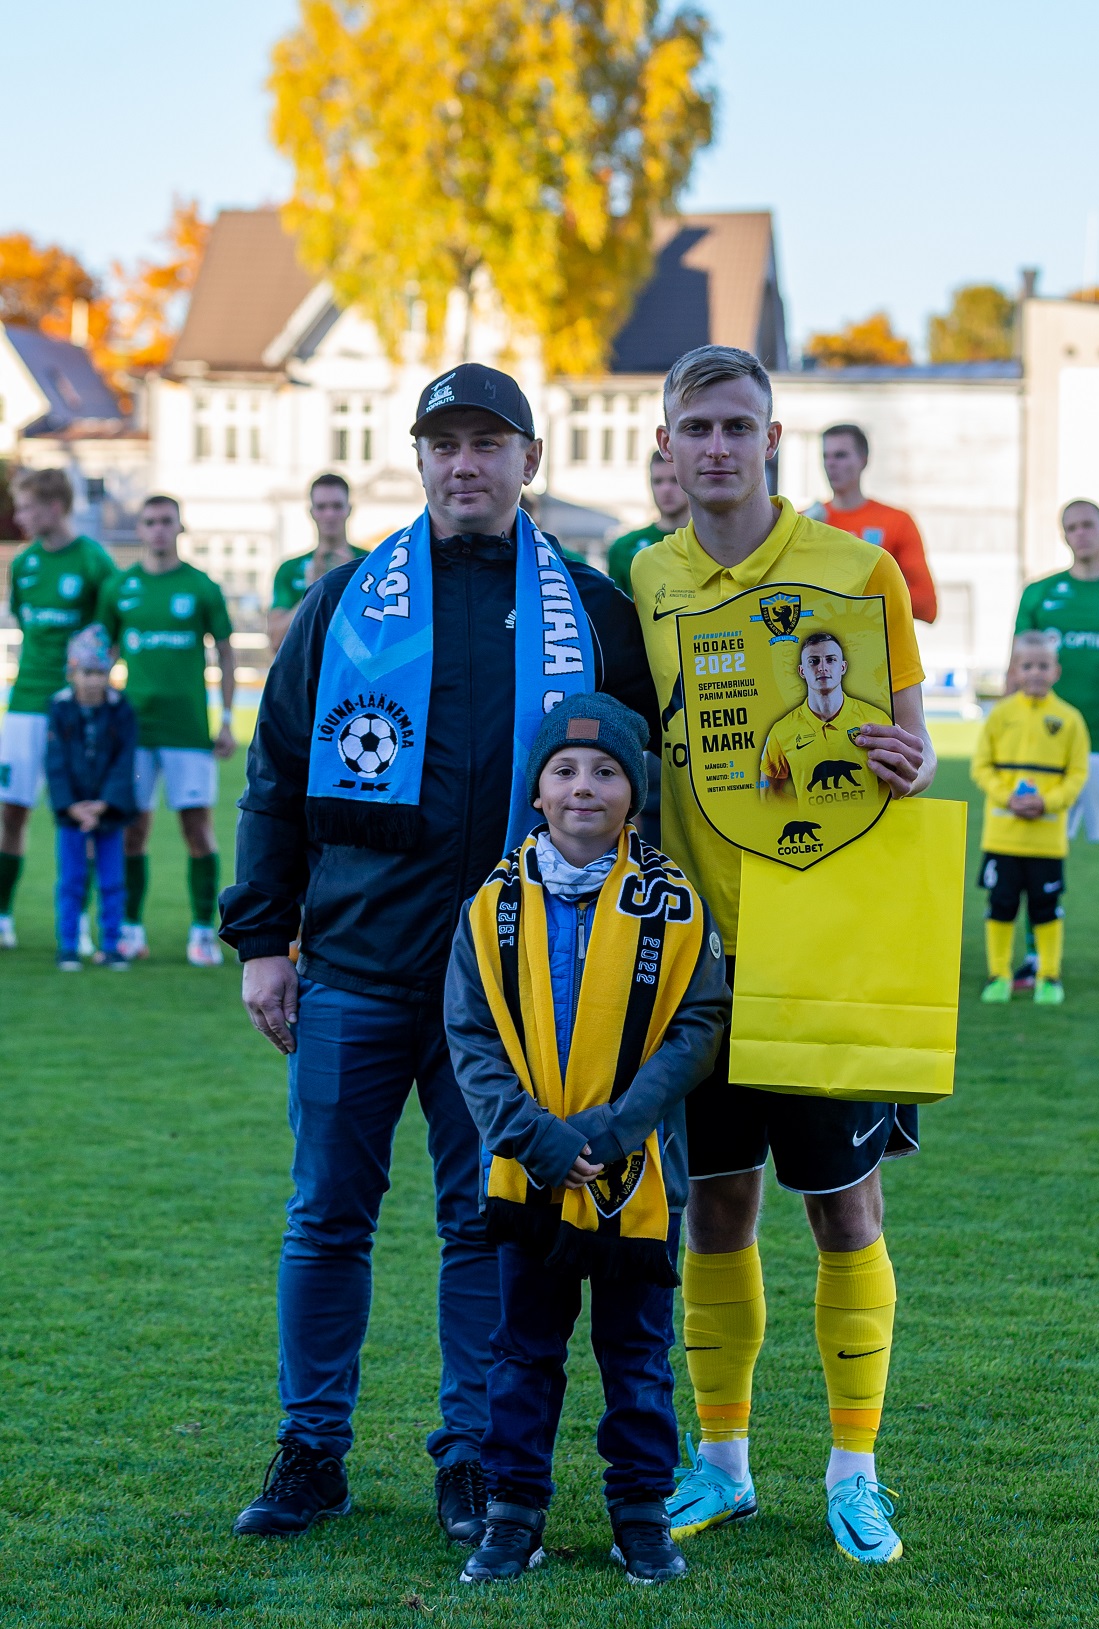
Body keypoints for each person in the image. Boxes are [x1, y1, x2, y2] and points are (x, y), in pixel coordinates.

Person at [218, 363, 659, 1545]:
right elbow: (272, 775)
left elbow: (642, 794)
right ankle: (311, 1450)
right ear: (415, 459)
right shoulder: (343, 600)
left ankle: (469, 1455)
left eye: (487, 443)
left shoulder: (592, 611)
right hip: (354, 969)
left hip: (513, 989)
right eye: (444, 444)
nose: (464, 465)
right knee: (326, 1218)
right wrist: (263, 941)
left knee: (481, 1223)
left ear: (529, 460)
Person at [630, 345, 936, 1565]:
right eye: (694, 426)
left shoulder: (857, 571)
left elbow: (907, 743)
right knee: (714, 1207)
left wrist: (909, 762)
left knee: (843, 1209)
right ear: (665, 443)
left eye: (735, 425)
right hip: (696, 956)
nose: (714, 445)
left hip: (824, 943)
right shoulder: (645, 577)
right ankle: (722, 1465)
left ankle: (855, 1472)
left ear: (770, 437)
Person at [445, 693, 728, 1585]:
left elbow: (698, 1023)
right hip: (527, 1172)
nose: (583, 787)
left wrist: (614, 1127)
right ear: (535, 790)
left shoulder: (673, 903)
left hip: (635, 1173)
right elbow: (471, 1036)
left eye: (606, 771)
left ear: (634, 791)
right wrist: (531, 1135)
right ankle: (512, 1512)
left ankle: (639, 1512)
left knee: (637, 1356)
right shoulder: (490, 905)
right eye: (563, 770)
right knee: (522, 1352)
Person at [95, 495, 235, 966]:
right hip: (133, 733)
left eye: (165, 521)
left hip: (188, 731)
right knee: (132, 831)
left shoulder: (201, 586)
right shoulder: (119, 587)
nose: (157, 529)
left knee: (198, 830)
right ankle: (131, 928)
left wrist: (227, 719)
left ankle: (202, 931)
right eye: (149, 521)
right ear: (139, 529)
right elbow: (104, 654)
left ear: (179, 527)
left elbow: (226, 653)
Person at [1014, 499, 1099, 995]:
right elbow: (1016, 672)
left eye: (1088, 524)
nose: (1080, 533)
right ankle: (1035, 958)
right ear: (1063, 535)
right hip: (1048, 751)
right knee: (1039, 854)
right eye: (1071, 527)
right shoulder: (1040, 594)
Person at [0, 469, 116, 949]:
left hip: (75, 710)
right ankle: (3, 915)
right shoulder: (24, 564)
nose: (19, 517)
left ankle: (78, 925)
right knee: (11, 812)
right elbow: (25, 623)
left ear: (54, 506)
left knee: (79, 815)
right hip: (25, 702)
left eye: (27, 507)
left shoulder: (94, 561)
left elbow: (109, 632)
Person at [970, 631, 1088, 1006]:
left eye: (1043, 666)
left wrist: (1048, 802)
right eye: (1027, 666)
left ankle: (1048, 977)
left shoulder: (1069, 719)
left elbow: (1077, 774)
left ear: (1056, 671)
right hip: (1002, 838)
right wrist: (1007, 797)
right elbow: (981, 767)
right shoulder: (1000, 715)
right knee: (1001, 906)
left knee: (1046, 910)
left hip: (1046, 840)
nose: (1035, 672)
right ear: (1015, 671)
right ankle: (999, 976)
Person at [45, 626, 137, 971]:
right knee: (71, 880)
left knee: (112, 881)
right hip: (72, 813)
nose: (93, 680)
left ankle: (111, 945)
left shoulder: (121, 709)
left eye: (99, 672)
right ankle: (68, 946)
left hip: (108, 812)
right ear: (72, 673)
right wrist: (71, 805)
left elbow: (124, 761)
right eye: (86, 672)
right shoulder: (59, 708)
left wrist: (104, 804)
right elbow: (55, 761)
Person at [811, 424, 938, 625]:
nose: (831, 464)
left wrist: (856, 590)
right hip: (821, 640)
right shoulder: (807, 523)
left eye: (841, 455)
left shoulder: (896, 521)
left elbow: (926, 605)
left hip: (875, 639)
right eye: (826, 456)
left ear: (864, 460)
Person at [759, 632, 892, 802]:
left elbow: (896, 781)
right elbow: (769, 795)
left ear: (842, 667)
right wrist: (803, 814)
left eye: (830, 660)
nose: (822, 667)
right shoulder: (781, 731)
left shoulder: (876, 719)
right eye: (813, 661)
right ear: (802, 671)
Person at [268, 474, 367, 655]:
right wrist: (314, 591)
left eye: (337, 506)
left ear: (349, 509)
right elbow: (276, 641)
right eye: (322, 507)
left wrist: (351, 584)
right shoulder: (289, 569)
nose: (329, 514)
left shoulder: (371, 563)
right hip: (309, 670)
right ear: (311, 512)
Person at [606, 451, 691, 599]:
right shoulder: (623, 547)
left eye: (674, 480)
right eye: (658, 481)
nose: (666, 489)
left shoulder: (710, 542)